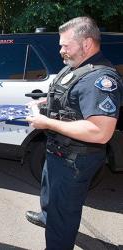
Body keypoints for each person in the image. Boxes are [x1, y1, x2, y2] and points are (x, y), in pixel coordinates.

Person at [25, 17, 122, 249]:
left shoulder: (100, 79)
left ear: (87, 44)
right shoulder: (77, 67)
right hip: (58, 150)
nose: (61, 50)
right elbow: (69, 100)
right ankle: (47, 217)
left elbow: (100, 131)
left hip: (75, 159)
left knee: (64, 213)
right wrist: (44, 102)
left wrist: (46, 122)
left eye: (65, 45)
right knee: (50, 193)